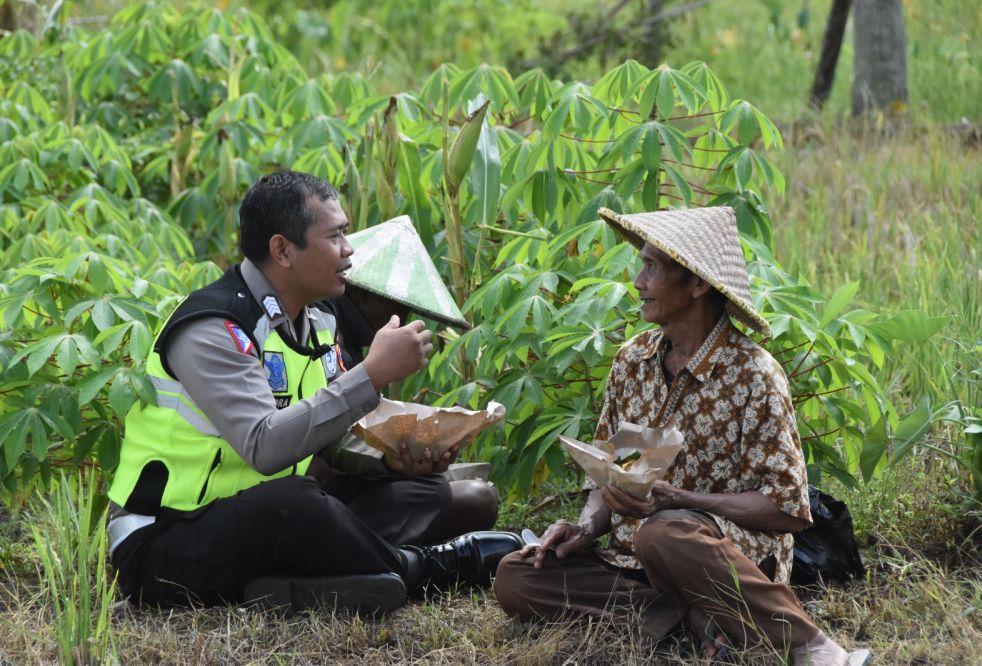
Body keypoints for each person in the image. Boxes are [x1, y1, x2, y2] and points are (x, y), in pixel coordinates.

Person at [106, 171, 520, 616]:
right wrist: (371, 373)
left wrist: (395, 459)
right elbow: (264, 447)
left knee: (425, 492)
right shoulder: (213, 328)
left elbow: (324, 438)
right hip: (165, 542)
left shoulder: (318, 322)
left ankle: (299, 582)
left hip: (261, 523)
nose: (350, 251)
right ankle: (426, 567)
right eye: (336, 236)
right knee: (294, 503)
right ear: (282, 250)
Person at [493, 207, 870, 666]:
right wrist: (586, 527)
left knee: (663, 533)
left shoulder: (754, 375)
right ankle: (695, 619)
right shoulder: (632, 361)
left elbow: (786, 510)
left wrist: (682, 502)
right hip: (635, 561)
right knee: (516, 575)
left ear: (697, 284)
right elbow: (608, 474)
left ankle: (809, 645)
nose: (637, 281)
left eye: (652, 266)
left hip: (725, 553)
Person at [313, 214, 499, 541]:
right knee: (474, 499)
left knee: (476, 487)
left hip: (352, 484)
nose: (406, 319)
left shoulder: (349, 337)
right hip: (315, 499)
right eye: (399, 306)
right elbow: (328, 441)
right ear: (361, 294)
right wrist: (393, 458)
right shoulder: (322, 333)